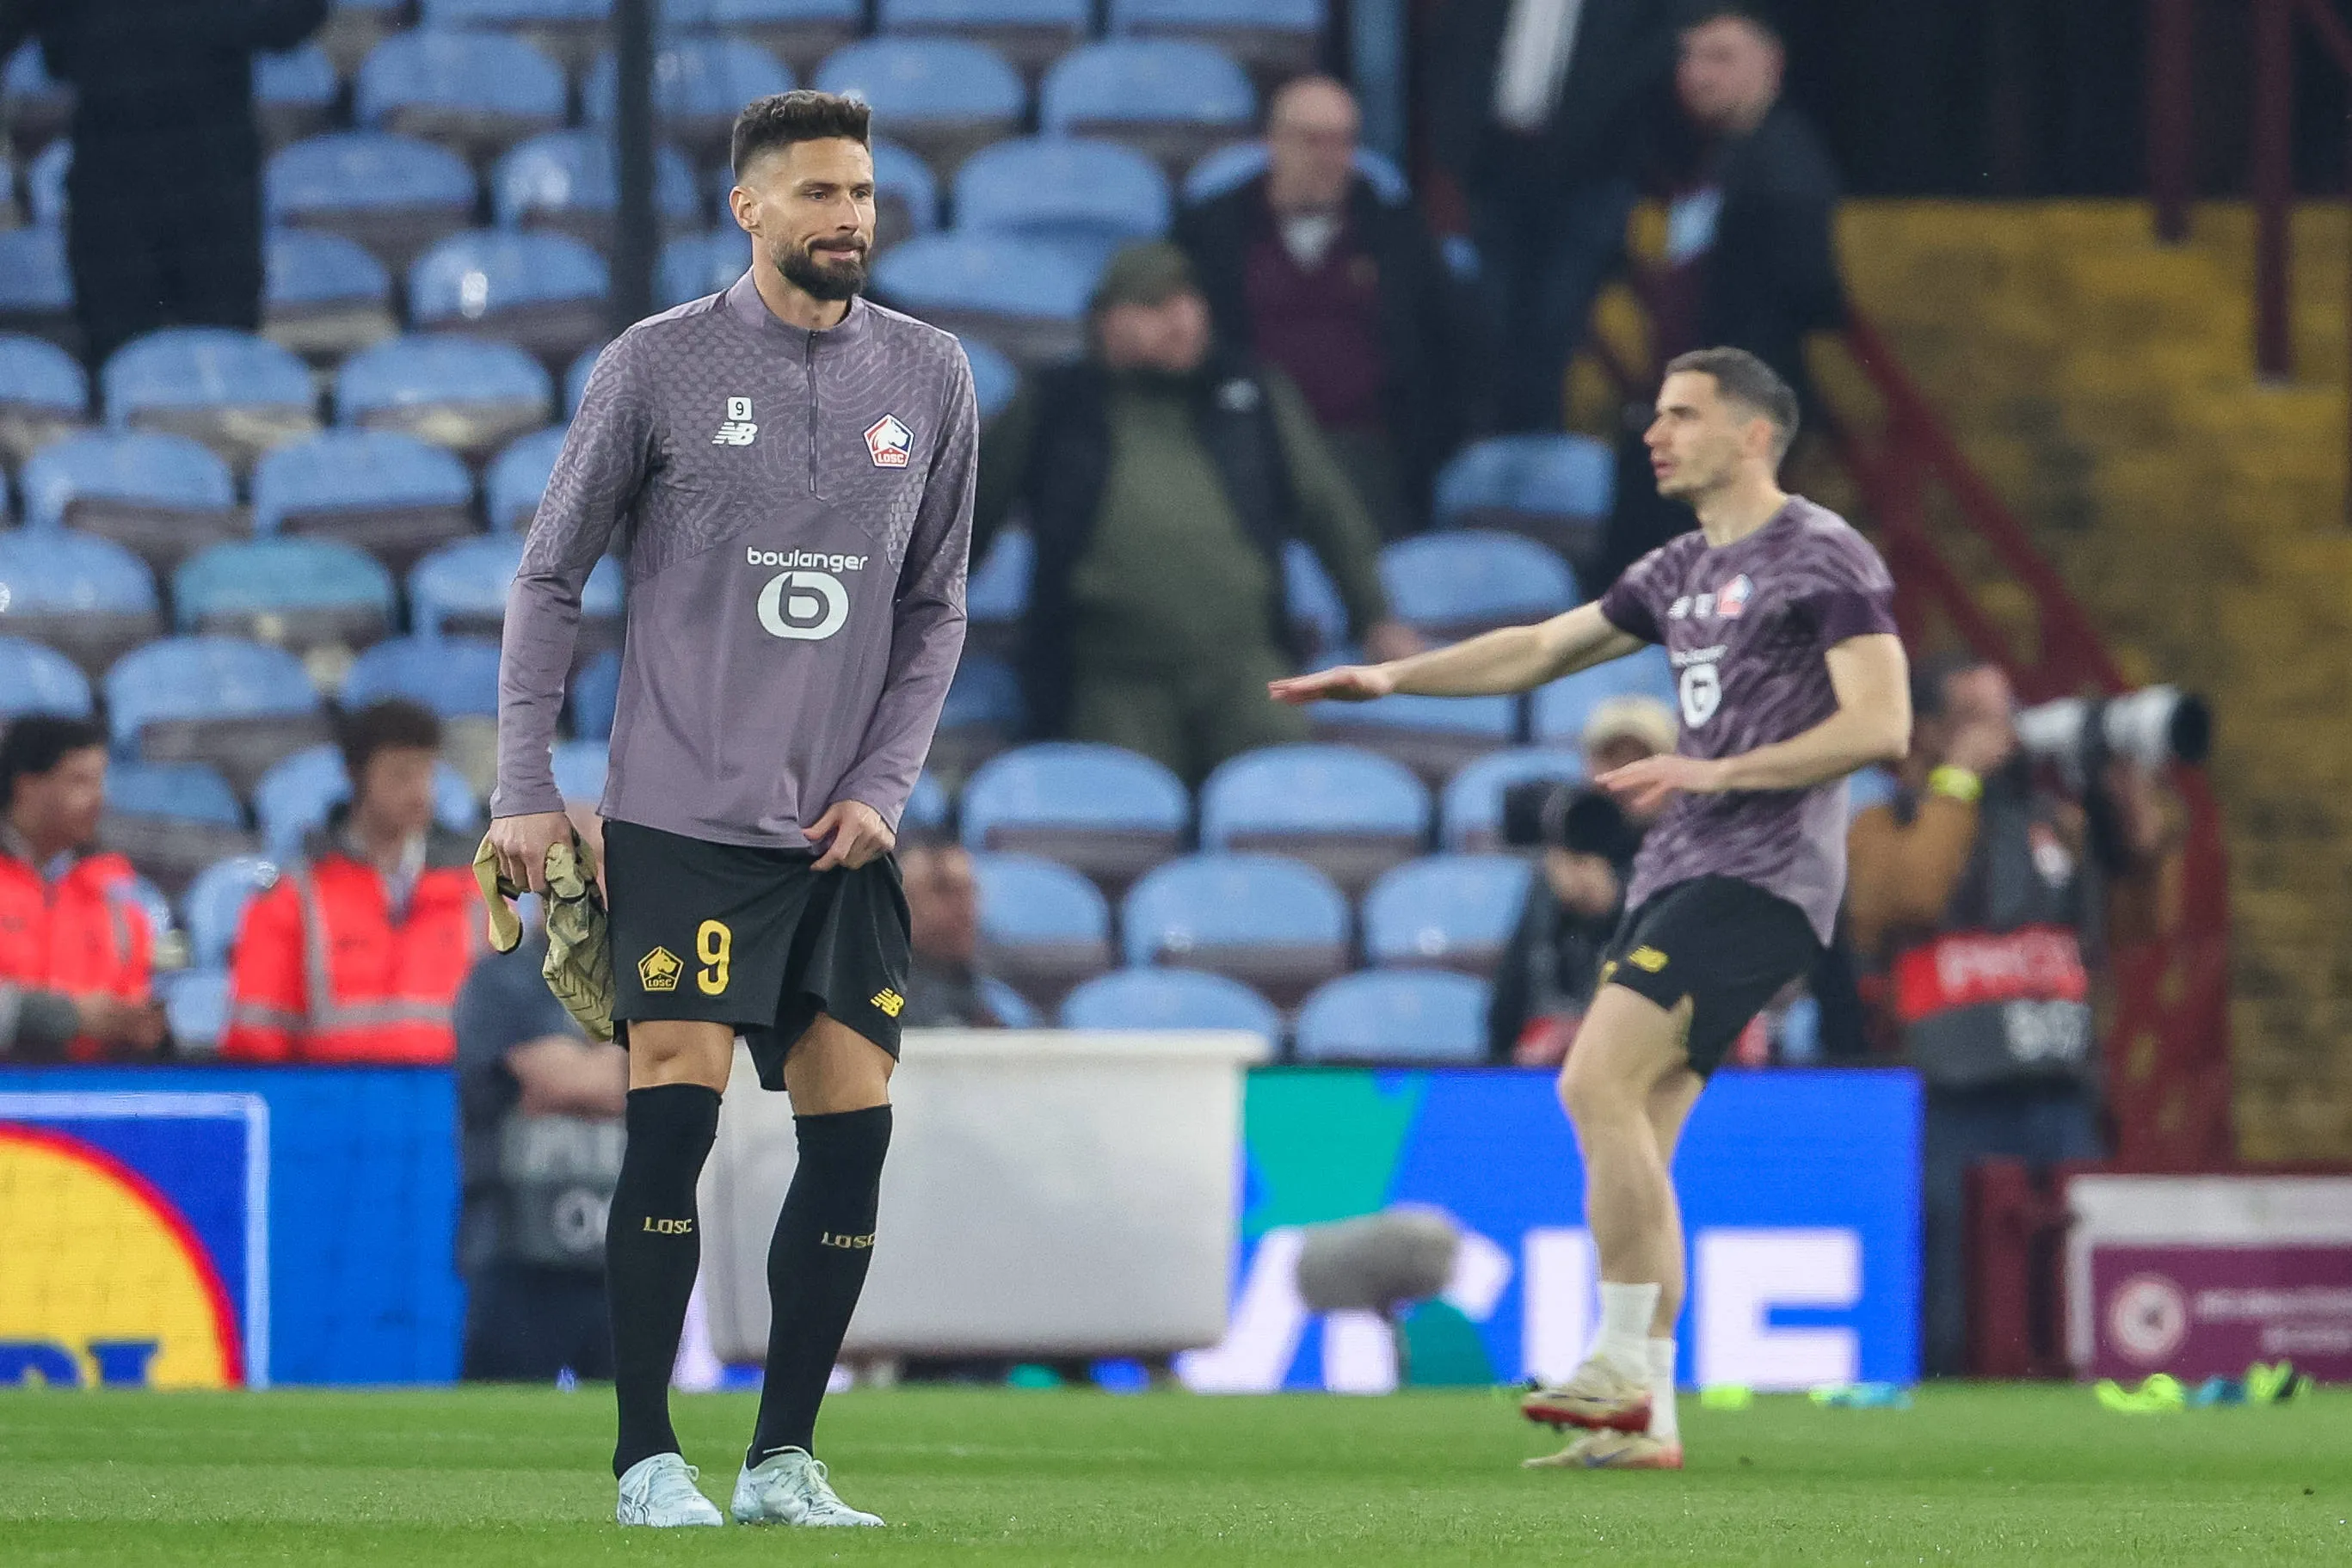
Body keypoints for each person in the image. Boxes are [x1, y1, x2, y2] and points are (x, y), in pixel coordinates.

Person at [1273, 346, 1909, 1470]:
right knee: (1638, 1134)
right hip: (1684, 874)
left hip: (1758, 875)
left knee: (1590, 1077)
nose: (1653, 432)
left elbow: (1879, 724)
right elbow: (1535, 648)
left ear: (1754, 434)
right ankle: (1646, 1413)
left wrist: (1716, 773)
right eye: (1653, 413)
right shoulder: (1674, 568)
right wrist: (1390, 679)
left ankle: (1617, 1363)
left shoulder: (1820, 551)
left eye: (1681, 414)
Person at [483, 90, 976, 1529]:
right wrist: (527, 786)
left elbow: (935, 606)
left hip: (839, 833)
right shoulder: (659, 367)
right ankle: (646, 1455)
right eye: (818, 193)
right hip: (682, 815)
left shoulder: (932, 375)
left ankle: (780, 1460)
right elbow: (547, 576)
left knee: (851, 1132)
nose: (849, 219)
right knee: (671, 1119)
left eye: (864, 193)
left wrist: (886, 790)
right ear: (746, 208)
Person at [973, 240, 1419, 787]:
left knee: (1282, 789)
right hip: (1110, 674)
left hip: (1245, 665)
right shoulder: (1054, 405)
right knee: (1123, 803)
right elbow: (972, 514)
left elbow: (1328, 508)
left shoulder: (1252, 394)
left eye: (1190, 301)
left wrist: (1375, 616)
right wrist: (912, 622)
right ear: (1111, 321)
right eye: (1158, 304)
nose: (1184, 319)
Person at [1846, 652, 2179, 1377]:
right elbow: (1906, 899)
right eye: (1976, 716)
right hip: (1955, 1096)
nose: (2004, 731)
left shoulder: (2052, 823)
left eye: (2007, 711)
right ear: (1927, 730)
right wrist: (1957, 778)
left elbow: (2135, 928)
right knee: (1958, 1297)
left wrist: (2138, 822)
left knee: (2071, 1293)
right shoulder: (1886, 821)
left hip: (2061, 1088)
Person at [1602, 3, 1846, 585]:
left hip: (1732, 415)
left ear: (1771, 64)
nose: (1697, 73)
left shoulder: (1785, 162)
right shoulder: (1719, 157)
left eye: (1720, 57)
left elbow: (1813, 290)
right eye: (1688, 57)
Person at [1173, 76, 1475, 539]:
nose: (1329, 158)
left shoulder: (1398, 234)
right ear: (1272, 142)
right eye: (1312, 141)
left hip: (1363, 453)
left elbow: (1453, 349)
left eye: (1343, 142)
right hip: (1243, 445)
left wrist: (1422, 446)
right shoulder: (1210, 232)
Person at [0, 0, 328, 370]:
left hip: (213, 179)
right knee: (116, 354)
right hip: (114, 176)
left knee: (226, 352)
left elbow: (297, 17)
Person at [1429, 0, 1688, 432]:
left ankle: (1548, 454)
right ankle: (1490, 449)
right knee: (1489, 321)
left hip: (1589, 176)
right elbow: (1453, 51)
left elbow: (1647, 65)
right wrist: (1457, 147)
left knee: (1559, 324)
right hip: (1496, 170)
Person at [457, 803, 630, 1383]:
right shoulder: (501, 979)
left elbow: (673, 1080)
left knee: (640, 1439)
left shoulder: (652, 976)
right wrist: (622, 1066)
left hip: (626, 1255)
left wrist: (583, 1075)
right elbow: (588, 1083)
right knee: (493, 1439)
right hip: (517, 1248)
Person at [220, 700, 481, 1065]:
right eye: (399, 775)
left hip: (453, 1109)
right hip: (332, 1108)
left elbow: (511, 1025)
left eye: (426, 773)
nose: (420, 792)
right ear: (356, 776)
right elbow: (256, 1039)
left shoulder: (476, 892)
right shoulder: (295, 897)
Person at [1487, 695, 1678, 1065]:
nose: (1625, 776)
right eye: (1611, 759)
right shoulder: (1561, 858)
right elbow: (1511, 995)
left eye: (1641, 760)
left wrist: (1616, 907)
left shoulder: (1698, 855)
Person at [0, 714, 164, 1060]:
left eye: (99, 781)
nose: (98, 798)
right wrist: (65, 1018)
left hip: (86, 1098)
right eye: (79, 781)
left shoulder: (112, 893)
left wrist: (142, 1028)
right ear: (27, 787)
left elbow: (130, 1000)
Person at [896, 836, 1004, 1029]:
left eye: (970, 891)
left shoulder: (983, 989)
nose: (967, 909)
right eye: (945, 890)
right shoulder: (881, 994)